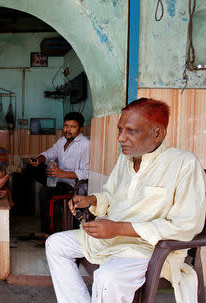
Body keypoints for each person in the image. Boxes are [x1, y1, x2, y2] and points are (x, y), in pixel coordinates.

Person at [45, 98, 206, 303]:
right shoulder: (126, 159)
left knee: (107, 278)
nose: (121, 138)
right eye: (120, 130)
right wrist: (91, 200)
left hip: (148, 248)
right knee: (55, 244)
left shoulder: (183, 163)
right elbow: (112, 195)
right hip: (112, 239)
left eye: (131, 131)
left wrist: (119, 229)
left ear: (158, 133)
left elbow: (186, 224)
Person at [26, 112, 90, 233]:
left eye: (73, 127)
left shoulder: (85, 144)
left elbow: (86, 173)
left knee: (45, 192)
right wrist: (39, 160)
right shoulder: (62, 141)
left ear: (80, 129)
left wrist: (62, 173)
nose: (68, 130)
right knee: (30, 167)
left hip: (71, 187)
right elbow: (50, 153)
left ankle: (48, 233)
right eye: (66, 126)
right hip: (58, 180)